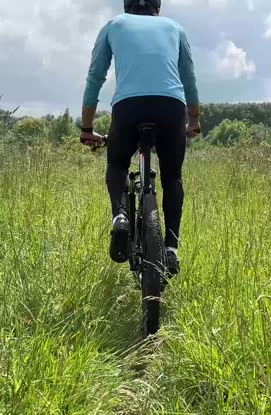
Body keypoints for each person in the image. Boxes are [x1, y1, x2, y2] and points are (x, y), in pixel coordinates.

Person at [80, 0, 201, 276]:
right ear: (157, 7)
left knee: (118, 165)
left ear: (127, 6)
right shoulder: (175, 28)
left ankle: (120, 217)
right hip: (171, 107)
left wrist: (87, 128)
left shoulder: (114, 25)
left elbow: (95, 76)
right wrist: (193, 119)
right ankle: (171, 250)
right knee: (172, 177)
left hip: (128, 107)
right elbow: (189, 76)